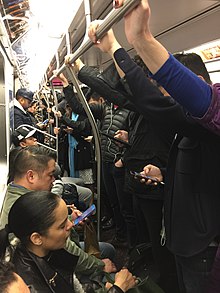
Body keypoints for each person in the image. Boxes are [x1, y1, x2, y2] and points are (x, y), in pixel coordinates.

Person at [87, 18, 220, 292]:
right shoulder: (191, 127)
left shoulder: (204, 122)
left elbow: (149, 101)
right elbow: (205, 172)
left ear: (195, 84)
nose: (167, 96)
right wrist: (166, 175)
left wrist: (126, 43)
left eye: (170, 89)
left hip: (202, 245)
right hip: (185, 240)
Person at [0, 145, 116, 278]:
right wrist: (99, 266)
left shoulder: (14, 192)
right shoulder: (26, 207)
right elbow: (67, 250)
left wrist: (68, 220)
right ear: (31, 176)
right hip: (49, 268)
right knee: (109, 252)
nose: (54, 181)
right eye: (50, 175)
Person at [112, 0, 220, 136]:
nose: (164, 96)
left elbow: (210, 105)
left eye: (170, 90)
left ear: (199, 81)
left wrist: (140, 39)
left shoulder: (196, 121)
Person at [0, 191, 136, 292]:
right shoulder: (32, 285)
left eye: (67, 219)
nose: (70, 225)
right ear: (36, 238)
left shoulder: (42, 250)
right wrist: (118, 289)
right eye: (61, 225)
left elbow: (69, 283)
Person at [56, 71, 131, 246]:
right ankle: (120, 235)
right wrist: (67, 86)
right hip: (105, 160)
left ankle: (130, 240)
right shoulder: (106, 109)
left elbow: (135, 139)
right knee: (112, 201)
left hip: (120, 163)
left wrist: (124, 159)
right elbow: (80, 108)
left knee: (124, 205)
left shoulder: (131, 111)